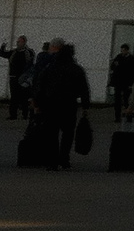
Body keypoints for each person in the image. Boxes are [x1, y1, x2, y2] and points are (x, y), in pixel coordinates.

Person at [31, 41, 91, 170]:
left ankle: (52, 161)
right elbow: (84, 88)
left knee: (51, 133)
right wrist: (85, 106)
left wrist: (37, 103)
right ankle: (64, 159)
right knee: (68, 133)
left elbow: (40, 86)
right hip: (69, 104)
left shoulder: (50, 68)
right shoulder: (77, 69)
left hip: (51, 104)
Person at [107, 44, 134, 116]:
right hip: (119, 81)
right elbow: (113, 66)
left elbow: (133, 72)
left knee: (126, 98)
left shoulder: (131, 59)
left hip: (126, 82)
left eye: (124, 50)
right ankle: (118, 115)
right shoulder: (119, 57)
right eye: (122, 50)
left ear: (127, 50)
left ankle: (127, 113)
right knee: (118, 99)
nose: (122, 52)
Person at [5, 36, 30, 120]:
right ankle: (13, 114)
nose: (17, 43)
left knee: (24, 96)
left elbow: (30, 62)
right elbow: (4, 54)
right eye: (17, 41)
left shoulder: (28, 52)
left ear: (24, 42)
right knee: (14, 97)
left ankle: (25, 114)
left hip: (23, 77)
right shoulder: (14, 52)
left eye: (19, 42)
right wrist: (2, 47)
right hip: (14, 77)